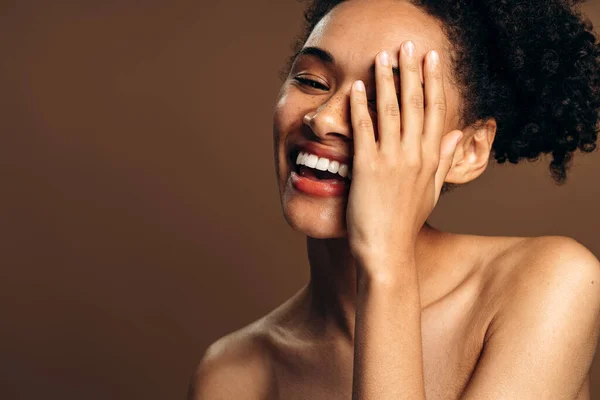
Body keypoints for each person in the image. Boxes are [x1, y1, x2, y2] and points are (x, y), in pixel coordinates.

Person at [189, 0, 600, 398]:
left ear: (468, 151)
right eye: (312, 82)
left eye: (385, 101)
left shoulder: (550, 285)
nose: (324, 119)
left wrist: (385, 260)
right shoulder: (232, 375)